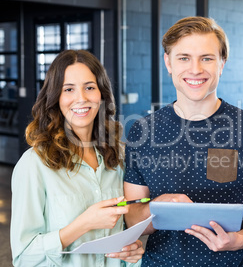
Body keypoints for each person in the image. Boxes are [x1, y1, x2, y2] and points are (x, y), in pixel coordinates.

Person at [123, 16, 243, 266]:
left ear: (222, 63)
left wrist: (238, 240)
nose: (195, 69)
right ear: (168, 63)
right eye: (184, 58)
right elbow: (133, 219)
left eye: (207, 58)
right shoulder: (142, 132)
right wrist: (155, 207)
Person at [10, 50, 144, 266]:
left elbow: (124, 234)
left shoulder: (118, 156)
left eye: (89, 88)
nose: (81, 98)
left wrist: (133, 252)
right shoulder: (34, 164)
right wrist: (83, 224)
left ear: (101, 94)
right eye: (69, 89)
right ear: (55, 97)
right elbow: (23, 257)